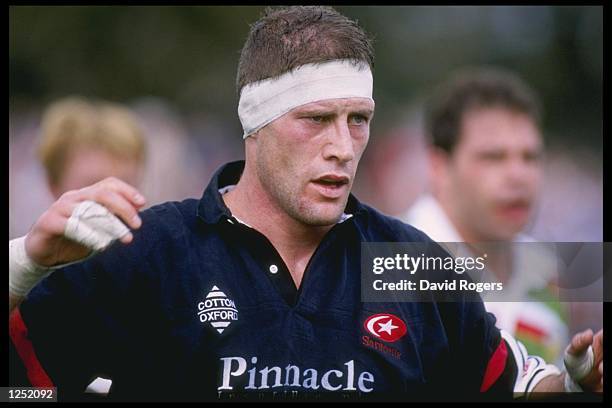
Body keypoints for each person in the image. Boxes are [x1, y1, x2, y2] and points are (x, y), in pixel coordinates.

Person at [8, 6, 603, 401]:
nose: (342, 147)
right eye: (316, 120)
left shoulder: (411, 260)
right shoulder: (152, 250)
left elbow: (512, 385)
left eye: (359, 121)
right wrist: (22, 269)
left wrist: (577, 386)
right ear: (255, 124)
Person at [400, 68, 573, 365]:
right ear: (439, 166)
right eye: (493, 157)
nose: (518, 176)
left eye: (530, 157)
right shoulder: (392, 266)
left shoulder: (546, 270)